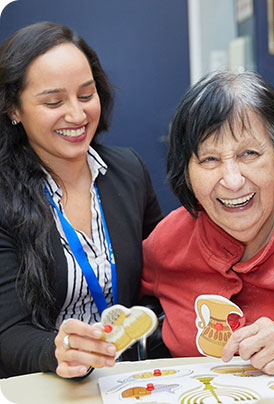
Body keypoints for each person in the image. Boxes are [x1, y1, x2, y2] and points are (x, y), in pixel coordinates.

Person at [141, 71, 274, 375]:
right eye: (209, 159)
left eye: (249, 153)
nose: (233, 181)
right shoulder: (168, 241)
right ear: (185, 172)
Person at [0, 22, 163, 378]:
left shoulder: (128, 171)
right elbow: (7, 331)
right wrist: (59, 351)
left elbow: (162, 280)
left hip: (127, 382)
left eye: (86, 95)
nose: (76, 115)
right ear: (13, 109)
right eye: (54, 101)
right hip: (42, 385)